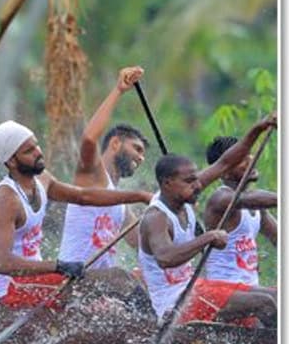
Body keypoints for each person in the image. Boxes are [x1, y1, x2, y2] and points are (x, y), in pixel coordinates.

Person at [0, 120, 151, 310]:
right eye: (29, 151)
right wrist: (58, 266)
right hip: (14, 288)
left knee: (131, 284)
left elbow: (83, 196)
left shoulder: (42, 180)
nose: (39, 152)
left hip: (39, 281)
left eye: (36, 145)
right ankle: (158, 329)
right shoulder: (4, 200)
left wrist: (141, 196)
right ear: (11, 161)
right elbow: (1, 263)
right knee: (119, 279)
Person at [138, 114, 276, 327]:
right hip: (174, 304)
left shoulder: (186, 193)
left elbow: (226, 161)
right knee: (265, 304)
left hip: (197, 288)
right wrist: (208, 237)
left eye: (196, 179)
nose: (197, 186)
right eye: (189, 181)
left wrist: (259, 127)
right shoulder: (156, 217)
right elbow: (165, 258)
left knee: (282, 298)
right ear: (167, 183)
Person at [58, 66, 150, 270]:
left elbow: (144, 246)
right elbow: (90, 138)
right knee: (120, 278)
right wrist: (118, 90)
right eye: (137, 148)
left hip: (101, 289)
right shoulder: (92, 176)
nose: (141, 158)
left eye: (142, 153)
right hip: (74, 279)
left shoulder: (121, 207)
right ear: (115, 144)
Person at [201, 136, 277, 286]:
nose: (251, 160)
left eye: (249, 154)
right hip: (223, 290)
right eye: (242, 159)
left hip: (251, 291)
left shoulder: (257, 208)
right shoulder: (220, 199)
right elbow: (266, 199)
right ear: (224, 172)